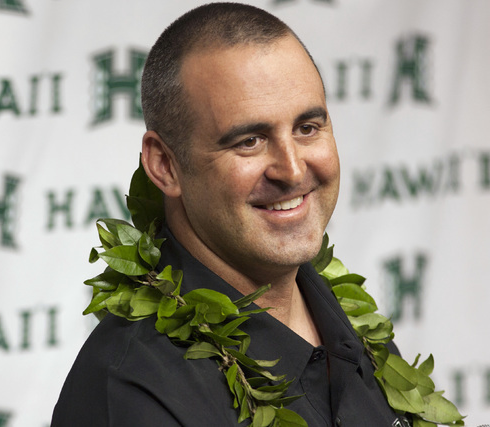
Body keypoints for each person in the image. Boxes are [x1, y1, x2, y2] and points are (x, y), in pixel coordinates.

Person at [51, 3, 409, 426]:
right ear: (165, 165)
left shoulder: (345, 317)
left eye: (307, 128)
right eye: (250, 141)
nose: (292, 170)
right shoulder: (133, 390)